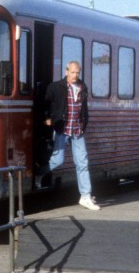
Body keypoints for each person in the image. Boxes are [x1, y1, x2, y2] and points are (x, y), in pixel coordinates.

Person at [41, 61, 100, 211]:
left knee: (82, 163)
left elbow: (83, 109)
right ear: (66, 71)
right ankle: (39, 173)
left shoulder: (82, 87)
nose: (75, 75)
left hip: (77, 131)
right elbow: (45, 104)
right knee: (57, 160)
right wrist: (47, 118)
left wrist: (84, 123)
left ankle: (85, 196)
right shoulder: (56, 87)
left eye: (77, 73)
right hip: (62, 129)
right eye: (72, 72)